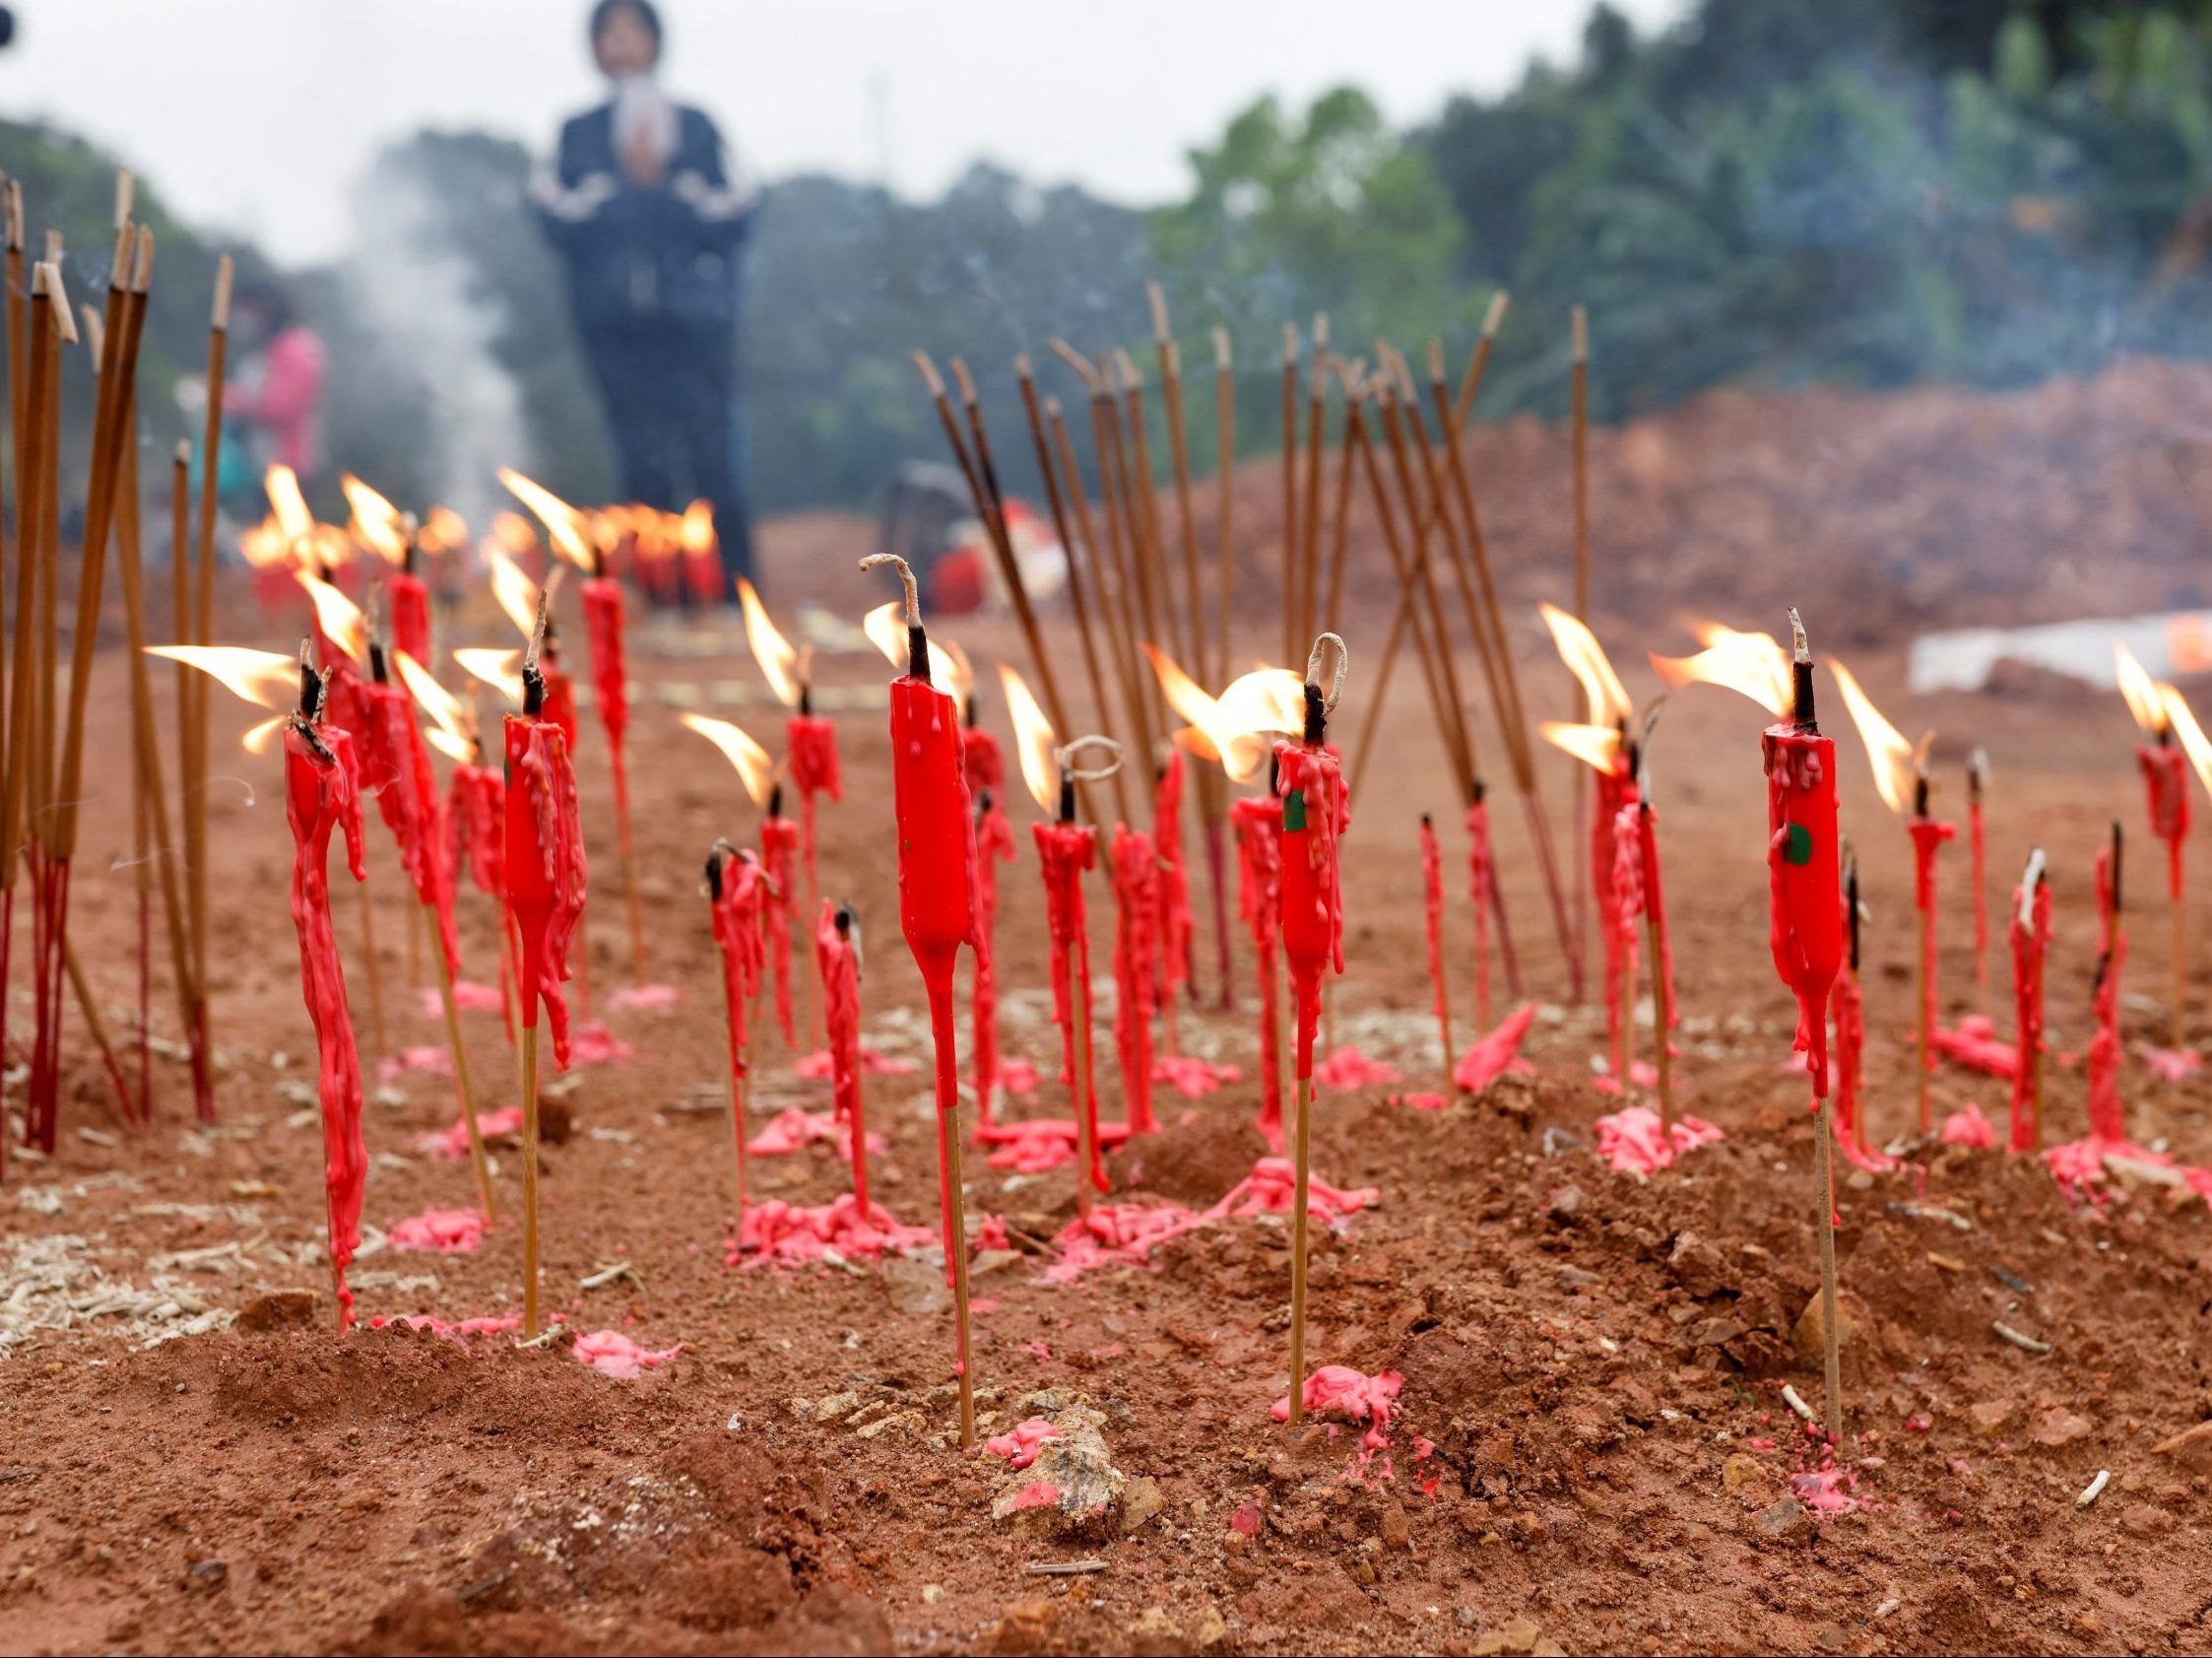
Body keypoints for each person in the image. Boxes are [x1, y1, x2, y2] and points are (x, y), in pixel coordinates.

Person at [532, 0, 760, 596]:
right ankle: (661, 592)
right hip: (613, 324)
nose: (622, 43)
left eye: (634, 30)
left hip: (697, 321)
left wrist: (665, 192)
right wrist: (618, 198)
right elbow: (553, 218)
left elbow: (739, 207)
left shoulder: (695, 124)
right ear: (594, 47)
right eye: (609, 32)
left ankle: (735, 588)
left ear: (657, 41)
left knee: (712, 449)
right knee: (639, 455)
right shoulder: (576, 133)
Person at [224, 275, 329, 486]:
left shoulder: (296, 347)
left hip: (290, 467)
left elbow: (282, 405)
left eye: (247, 308)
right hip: (264, 465)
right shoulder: (270, 348)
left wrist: (235, 405)